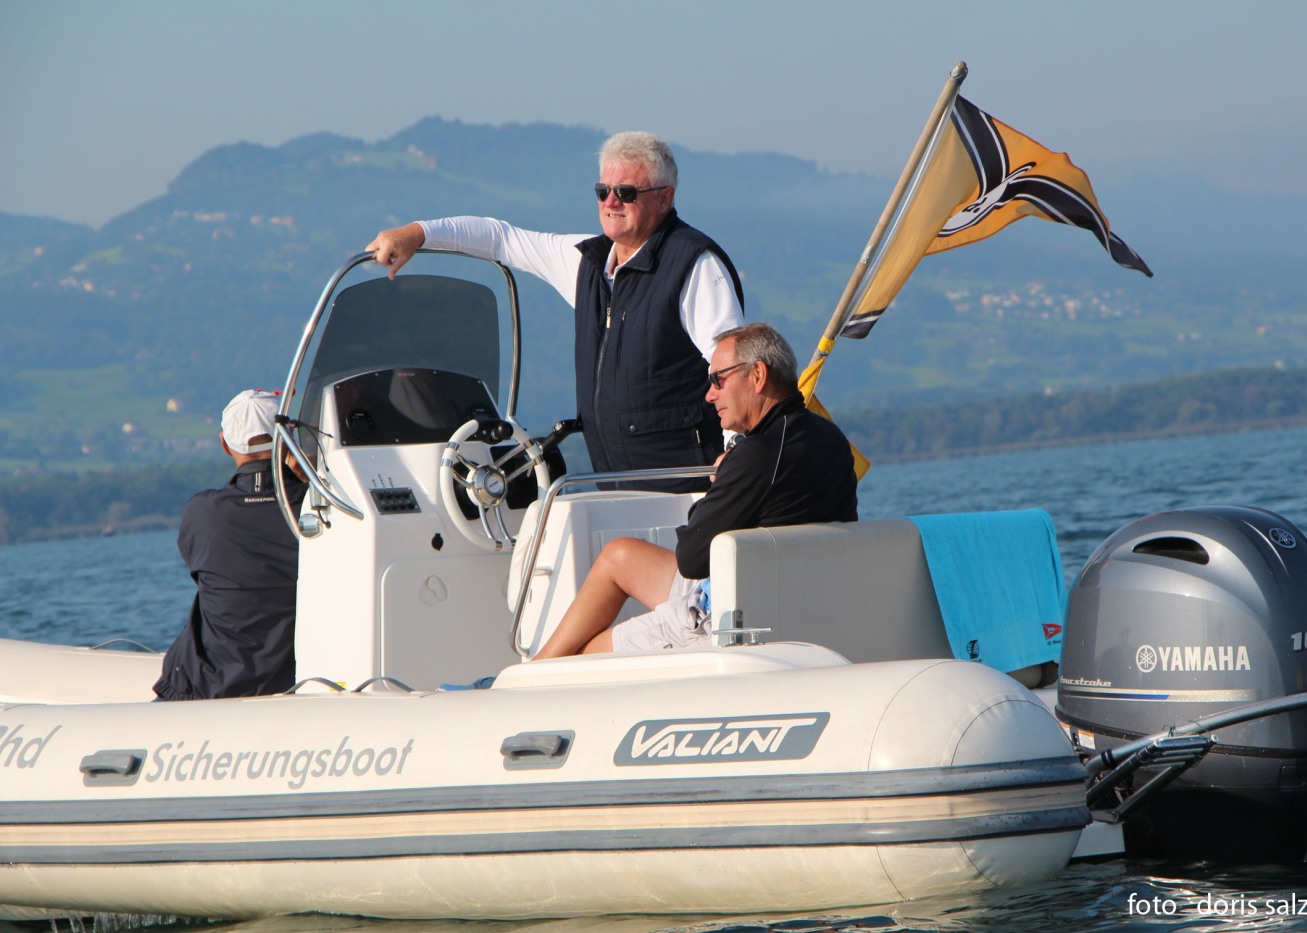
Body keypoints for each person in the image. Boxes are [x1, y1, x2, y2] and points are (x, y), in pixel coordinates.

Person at [364, 131, 744, 490]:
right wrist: (418, 234)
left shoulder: (694, 265)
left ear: (665, 198)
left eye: (626, 193)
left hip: (688, 484)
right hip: (614, 484)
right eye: (603, 191)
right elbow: (500, 239)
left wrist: (735, 451)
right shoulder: (586, 262)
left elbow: (732, 365)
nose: (611, 203)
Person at [532, 322, 859, 658]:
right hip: (794, 604)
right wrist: (735, 470)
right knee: (619, 555)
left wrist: (728, 474)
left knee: (581, 655)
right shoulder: (830, 439)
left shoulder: (758, 454)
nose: (709, 394)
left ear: (758, 375)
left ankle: (532, 677)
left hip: (730, 619)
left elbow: (691, 557)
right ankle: (534, 670)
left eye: (718, 379)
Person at [153, 389, 308, 700]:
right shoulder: (318, 509)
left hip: (209, 686)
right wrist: (305, 480)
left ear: (225, 445)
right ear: (289, 437)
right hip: (297, 678)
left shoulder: (202, 513)